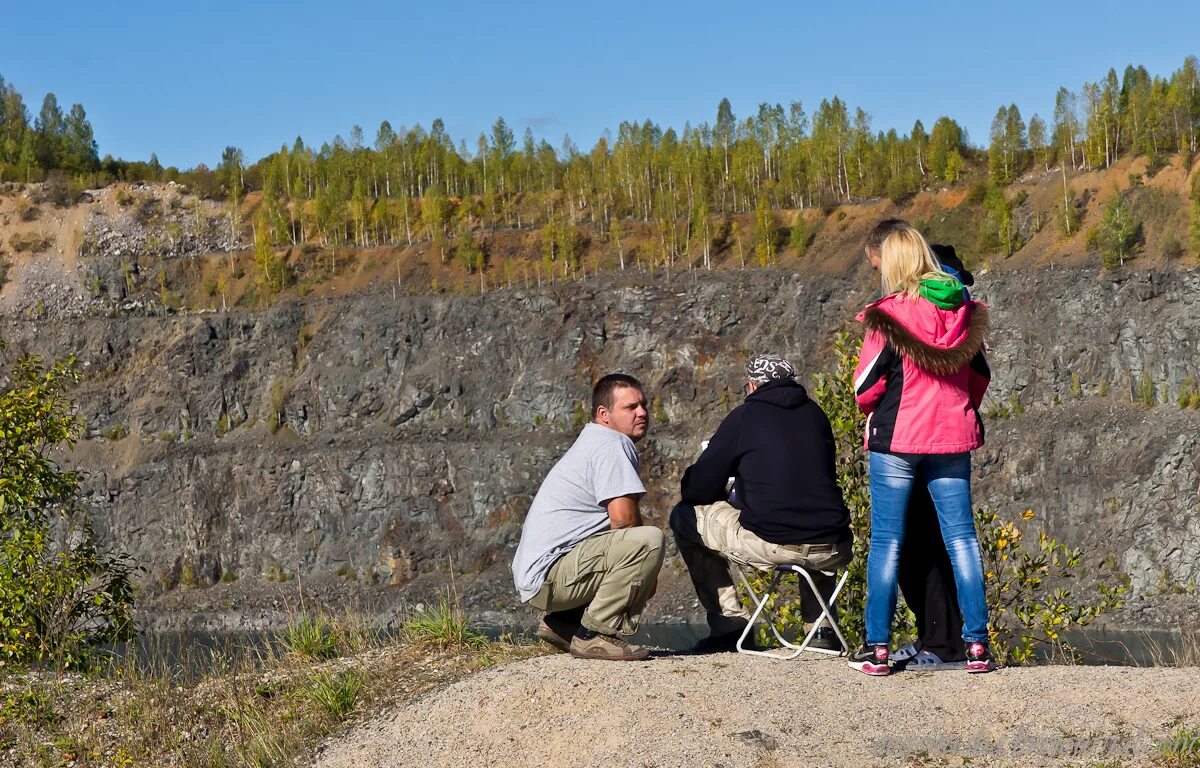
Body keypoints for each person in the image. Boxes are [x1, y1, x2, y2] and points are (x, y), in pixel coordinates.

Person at [848, 223, 993, 676]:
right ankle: (977, 648)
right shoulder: (964, 312)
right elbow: (979, 377)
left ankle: (878, 649)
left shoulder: (887, 314)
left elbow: (865, 387)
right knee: (963, 540)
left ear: (892, 263)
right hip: (952, 436)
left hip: (899, 438)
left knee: (887, 544)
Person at [670, 354, 853, 653]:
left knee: (684, 516)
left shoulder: (745, 416)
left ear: (753, 386)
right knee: (813, 520)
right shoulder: (817, 416)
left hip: (774, 543)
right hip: (834, 547)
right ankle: (822, 629)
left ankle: (730, 626)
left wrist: (724, 491)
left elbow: (698, 488)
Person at [511, 373, 665, 661]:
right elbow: (623, 520)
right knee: (648, 541)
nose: (642, 412)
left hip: (543, 577)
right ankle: (595, 634)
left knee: (634, 544)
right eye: (631, 407)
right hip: (551, 576)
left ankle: (564, 624)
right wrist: (647, 567)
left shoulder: (596, 441)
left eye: (644, 405)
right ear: (604, 414)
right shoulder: (610, 443)